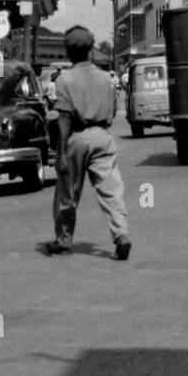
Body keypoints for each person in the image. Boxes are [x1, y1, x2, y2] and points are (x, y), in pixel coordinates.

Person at [46, 25, 131, 260]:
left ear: (69, 51)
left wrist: (61, 152)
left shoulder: (65, 79)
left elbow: (63, 117)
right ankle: (121, 235)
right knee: (111, 190)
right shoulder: (105, 78)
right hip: (102, 137)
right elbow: (113, 113)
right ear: (91, 49)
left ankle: (64, 239)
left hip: (77, 138)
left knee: (68, 193)